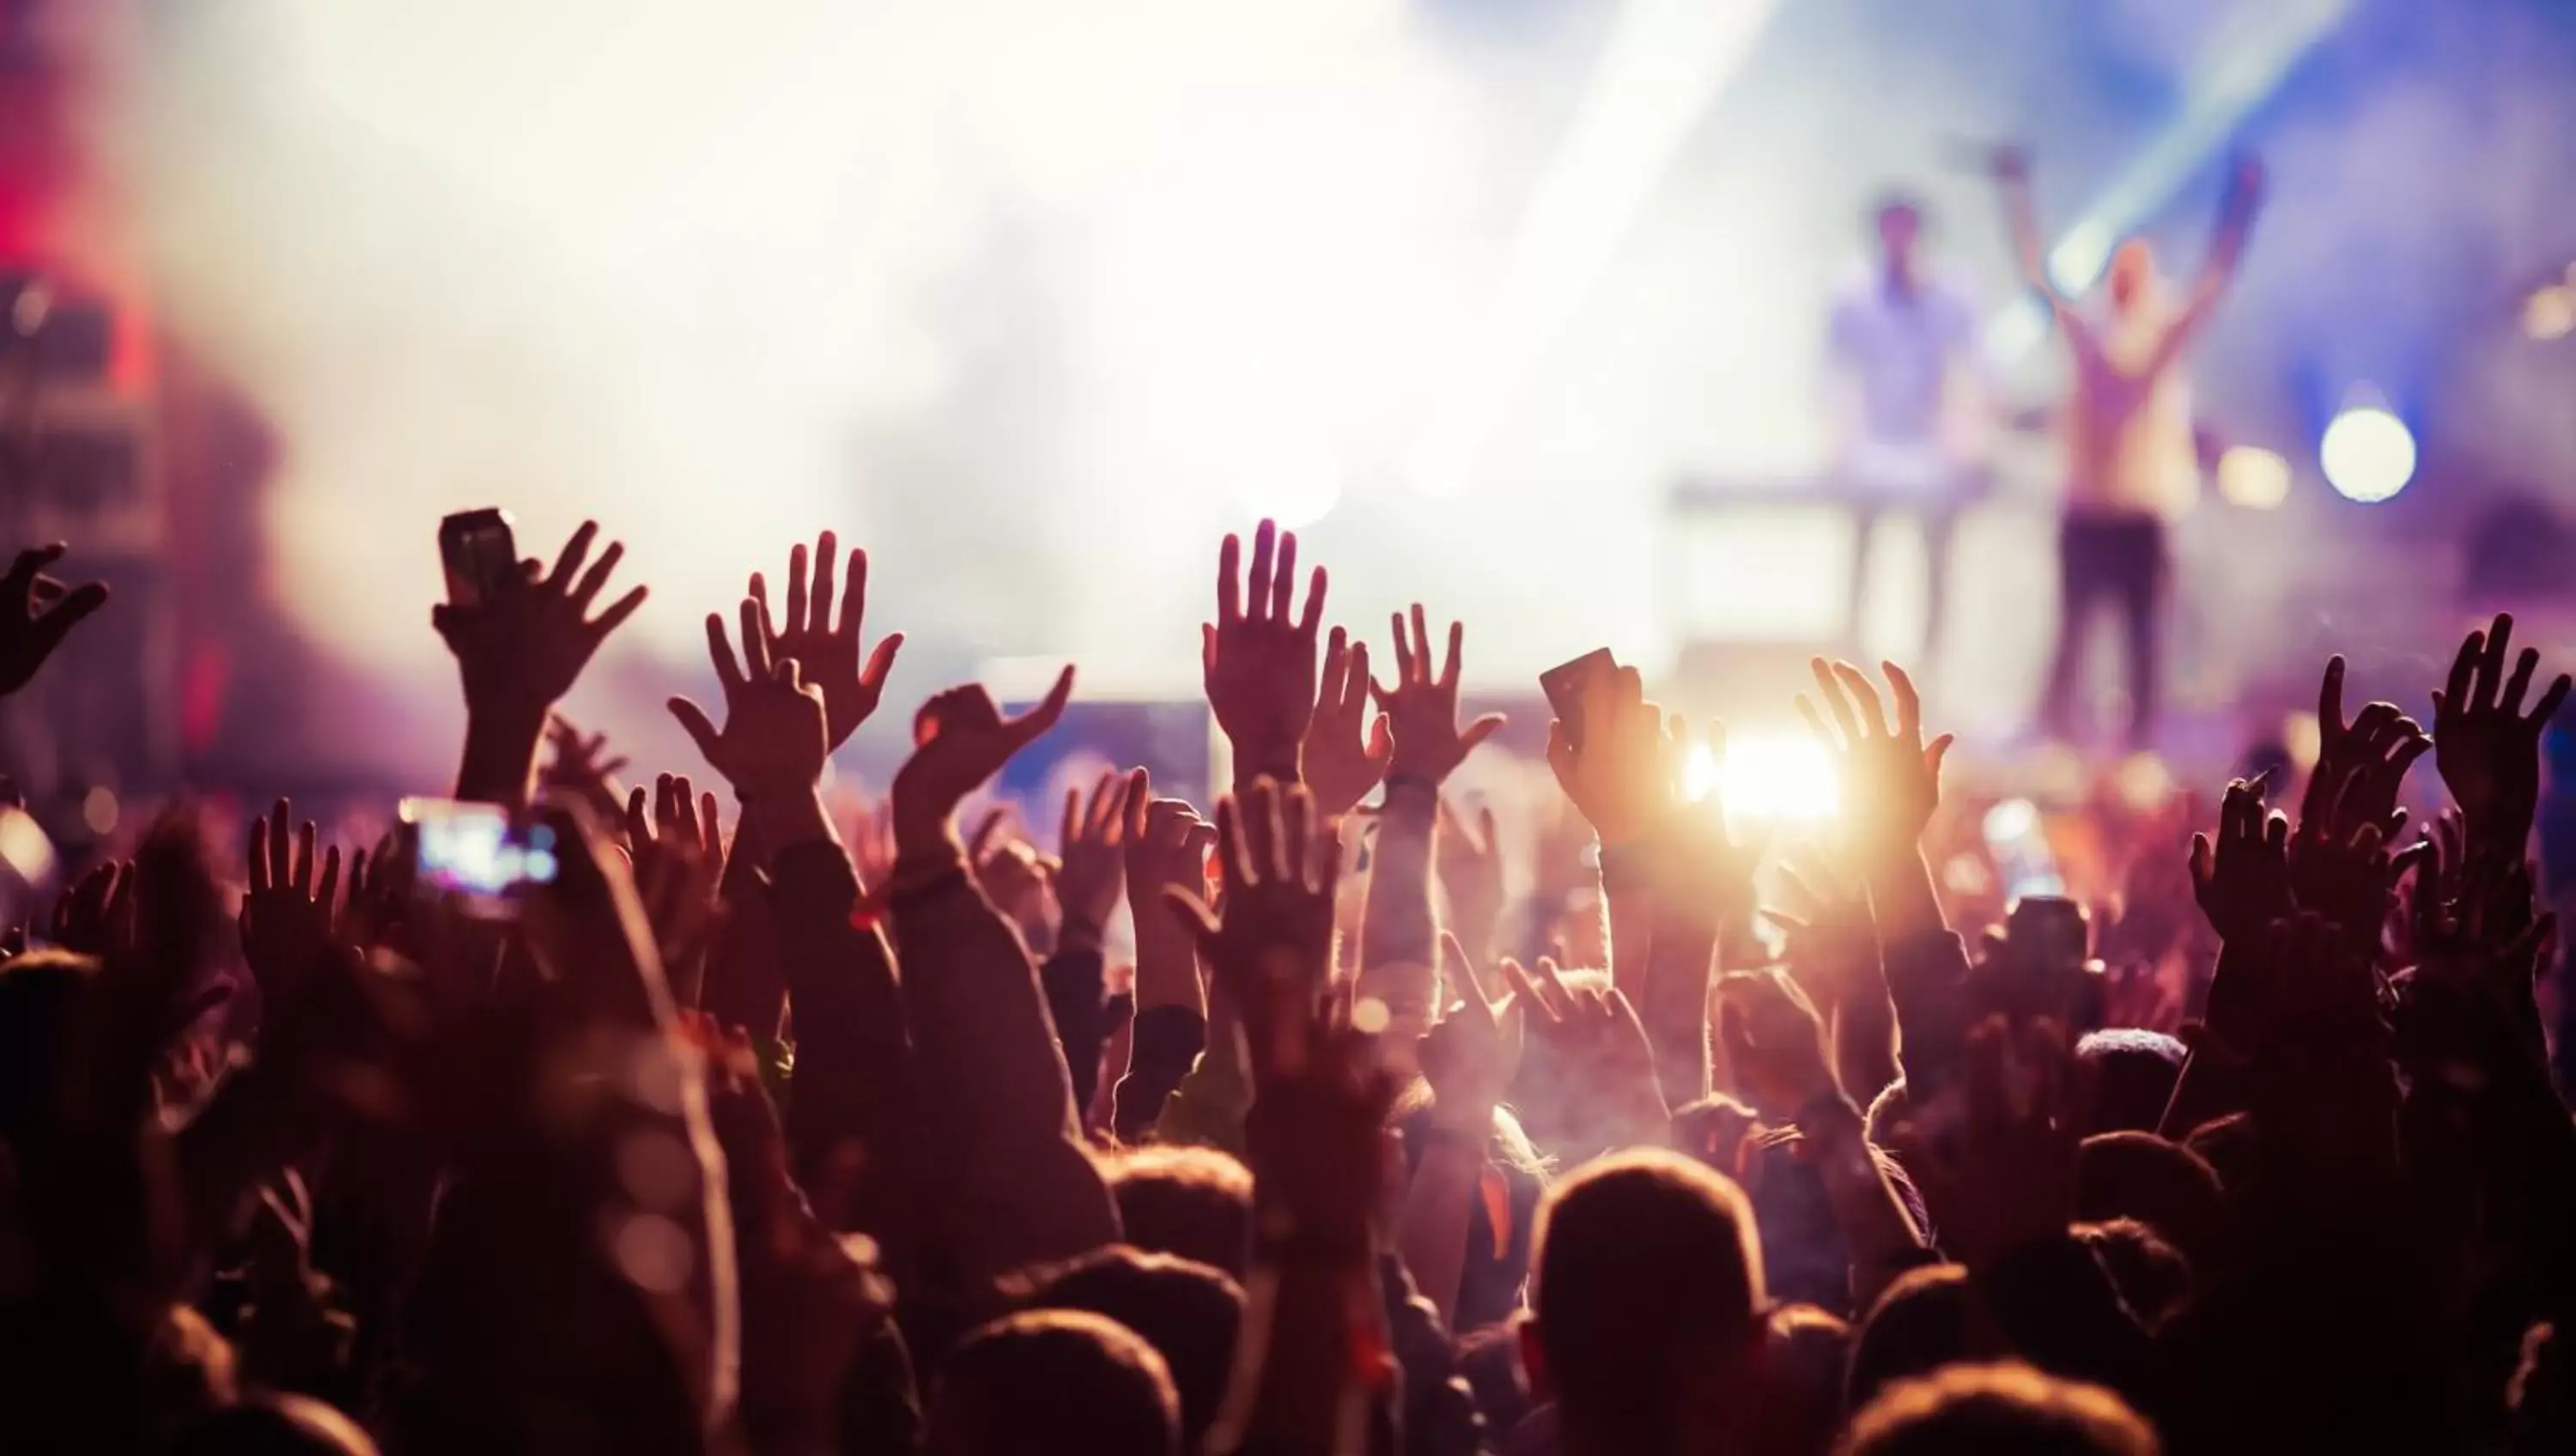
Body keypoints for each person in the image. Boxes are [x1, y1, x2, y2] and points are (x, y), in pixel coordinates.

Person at [1996, 146, 2265, 747]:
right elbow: (2036, 275)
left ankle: (2138, 745)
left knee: (2144, 640)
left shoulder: (2164, 334)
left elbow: (2216, 278)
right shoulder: (2086, 335)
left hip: (2142, 514)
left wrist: (2242, 204)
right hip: (2087, 511)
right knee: (2071, 636)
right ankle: (2056, 738)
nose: (2126, 283)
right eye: (2119, 272)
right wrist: (2014, 196)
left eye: (2136, 273)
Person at [1826, 192, 1991, 665]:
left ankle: (1930, 665)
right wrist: (1840, 440)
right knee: (1862, 557)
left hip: (1933, 451)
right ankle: (1852, 657)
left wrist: (1967, 437)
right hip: (1872, 448)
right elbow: (1834, 376)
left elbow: (1977, 369)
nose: (1900, 245)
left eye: (1908, 234)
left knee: (1937, 562)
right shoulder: (1852, 295)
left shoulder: (1954, 293)